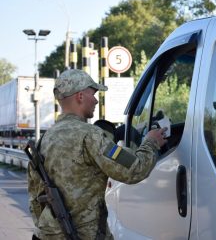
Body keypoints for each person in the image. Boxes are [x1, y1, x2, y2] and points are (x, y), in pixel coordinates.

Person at [27, 69, 167, 240]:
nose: (95, 100)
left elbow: (35, 199)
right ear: (80, 96)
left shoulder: (43, 140)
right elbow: (134, 169)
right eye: (93, 94)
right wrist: (151, 142)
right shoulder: (90, 135)